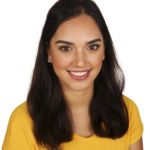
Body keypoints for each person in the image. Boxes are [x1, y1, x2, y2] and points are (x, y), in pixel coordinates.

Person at [2, 0, 144, 150]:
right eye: (66, 48)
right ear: (49, 52)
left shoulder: (126, 110)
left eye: (92, 47)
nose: (80, 62)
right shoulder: (23, 122)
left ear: (104, 50)